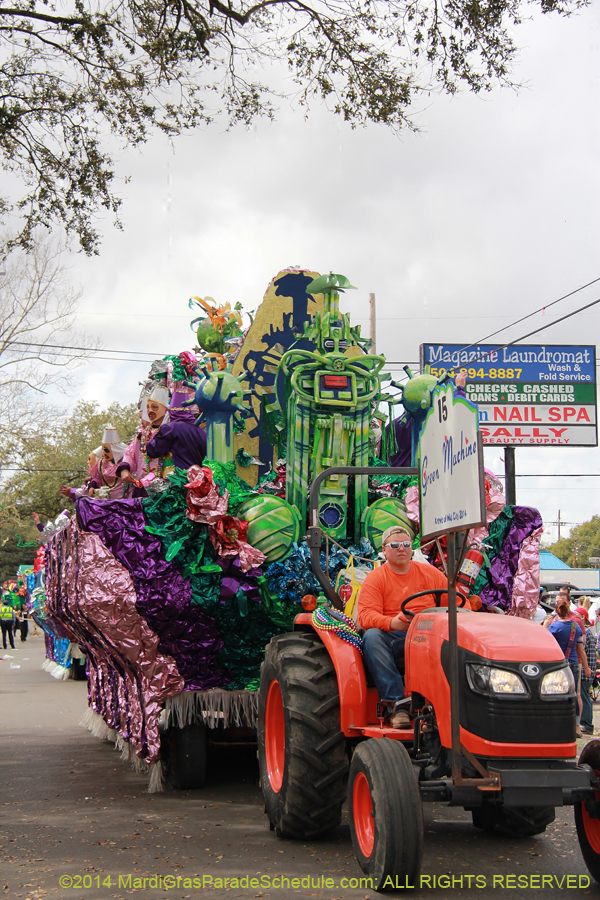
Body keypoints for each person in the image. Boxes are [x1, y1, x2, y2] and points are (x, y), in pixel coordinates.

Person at [358, 525, 449, 728]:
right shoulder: (376, 579)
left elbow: (457, 603)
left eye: (406, 545)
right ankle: (397, 705)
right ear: (384, 549)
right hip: (397, 636)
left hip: (431, 633)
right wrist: (392, 623)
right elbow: (366, 615)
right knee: (372, 637)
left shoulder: (431, 574)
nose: (401, 549)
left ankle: (450, 704)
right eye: (395, 545)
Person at [548, 597, 591, 738]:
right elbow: (581, 650)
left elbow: (547, 645)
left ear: (556, 611)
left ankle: (559, 726)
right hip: (574, 664)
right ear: (568, 611)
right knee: (575, 696)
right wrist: (586, 668)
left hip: (559, 665)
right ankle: (577, 728)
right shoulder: (575, 627)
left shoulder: (553, 627)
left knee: (557, 695)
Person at [578, 603, 597, 735]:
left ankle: (587, 724)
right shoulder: (587, 632)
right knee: (585, 696)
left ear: (583, 618)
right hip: (588, 669)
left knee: (584, 697)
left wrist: (586, 669)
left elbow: (582, 651)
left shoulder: (586, 633)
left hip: (586, 671)